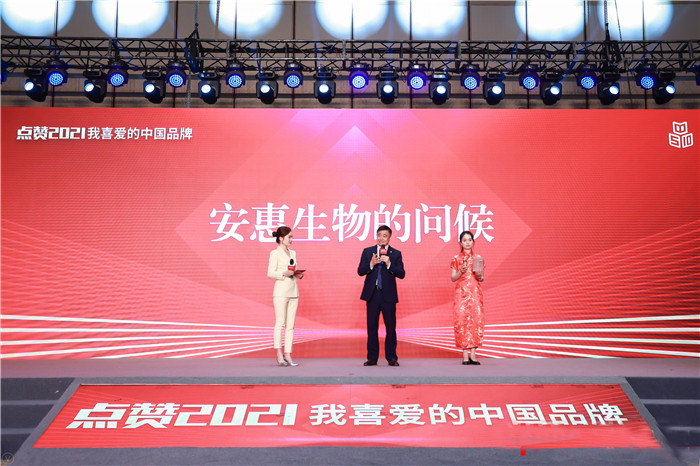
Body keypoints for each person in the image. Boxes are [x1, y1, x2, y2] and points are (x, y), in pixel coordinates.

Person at [357, 225, 406, 367]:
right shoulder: (368, 252)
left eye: (384, 236)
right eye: (379, 235)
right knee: (372, 328)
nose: (381, 238)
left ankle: (392, 357)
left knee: (390, 328)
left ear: (389, 238)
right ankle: (372, 358)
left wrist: (389, 264)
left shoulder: (395, 254)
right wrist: (371, 264)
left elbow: (402, 274)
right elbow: (360, 271)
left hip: (388, 296)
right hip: (372, 295)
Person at [267, 226, 303, 367]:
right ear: (281, 238)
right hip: (281, 292)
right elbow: (270, 273)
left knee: (291, 325)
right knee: (280, 323)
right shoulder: (275, 253)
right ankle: (279, 353)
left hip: (293, 291)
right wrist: (284, 273)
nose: (291, 239)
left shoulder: (293, 252)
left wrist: (297, 274)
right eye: (289, 237)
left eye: (292, 236)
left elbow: (293, 270)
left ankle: (288, 353)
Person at [450, 231, 485, 365]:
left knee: (476, 320)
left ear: (473, 242)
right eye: (464, 240)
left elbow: (481, 278)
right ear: (460, 243)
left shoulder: (478, 258)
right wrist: (461, 271)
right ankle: (465, 355)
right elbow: (453, 278)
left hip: (475, 293)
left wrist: (479, 274)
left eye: (469, 240)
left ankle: (473, 355)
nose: (467, 243)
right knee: (462, 321)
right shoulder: (456, 259)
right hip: (461, 293)